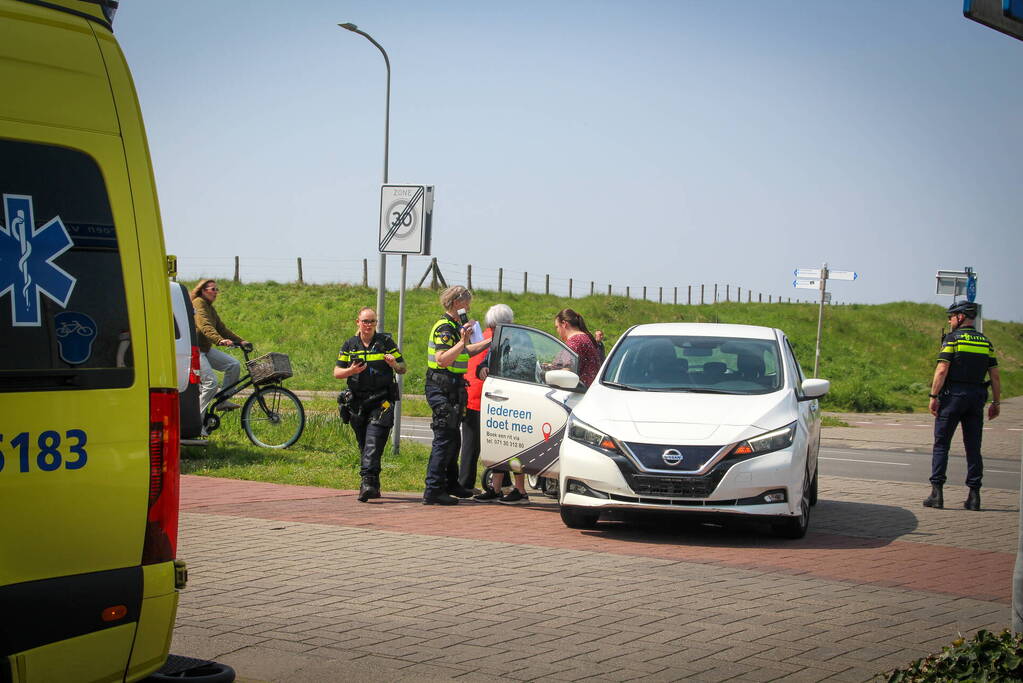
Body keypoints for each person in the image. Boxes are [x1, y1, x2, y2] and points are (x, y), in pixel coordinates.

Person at [923, 301, 1001, 511]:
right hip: (976, 398)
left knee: (942, 445)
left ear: (961, 317)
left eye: (951, 316)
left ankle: (937, 494)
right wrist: (996, 402)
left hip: (953, 397)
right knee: (973, 447)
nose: (949, 320)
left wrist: (933, 395)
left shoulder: (952, 339)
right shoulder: (985, 342)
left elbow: (942, 369)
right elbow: (994, 375)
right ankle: (974, 497)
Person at [423, 286, 492, 505]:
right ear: (456, 303)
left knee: (454, 439)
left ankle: (451, 484)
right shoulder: (445, 328)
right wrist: (462, 341)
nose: (469, 307)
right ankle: (433, 490)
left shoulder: (455, 326)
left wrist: (490, 341)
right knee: (444, 438)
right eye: (466, 302)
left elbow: (466, 351)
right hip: (441, 386)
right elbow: (442, 359)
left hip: (453, 386)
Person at [335, 307, 406, 503]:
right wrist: (351, 370)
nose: (368, 325)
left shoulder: (385, 342)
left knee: (373, 443)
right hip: (357, 403)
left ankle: (366, 483)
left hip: (381, 401)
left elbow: (403, 368)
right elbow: (337, 372)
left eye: (372, 321)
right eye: (365, 321)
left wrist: (393, 364)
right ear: (357, 322)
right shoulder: (350, 345)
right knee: (364, 446)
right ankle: (373, 485)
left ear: (376, 323)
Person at [459, 303, 513, 493]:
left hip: (470, 392)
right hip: (488, 396)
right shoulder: (503, 340)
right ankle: (498, 483)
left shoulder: (479, 335)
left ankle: (467, 482)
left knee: (471, 442)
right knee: (498, 440)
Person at [191, 279, 248, 415]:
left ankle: (222, 400)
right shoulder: (198, 303)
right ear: (203, 291)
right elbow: (205, 325)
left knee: (233, 365)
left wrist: (241, 341)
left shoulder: (209, 307)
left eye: (217, 289)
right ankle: (197, 421)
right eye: (213, 289)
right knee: (211, 383)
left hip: (205, 349)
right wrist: (220, 340)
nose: (216, 292)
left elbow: (222, 328)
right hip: (195, 350)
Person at [554, 308, 602, 387]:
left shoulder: (574, 342)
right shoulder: (584, 337)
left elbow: (566, 373)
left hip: (579, 391)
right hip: (589, 389)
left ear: (564, 324)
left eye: (557, 327)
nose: (557, 331)